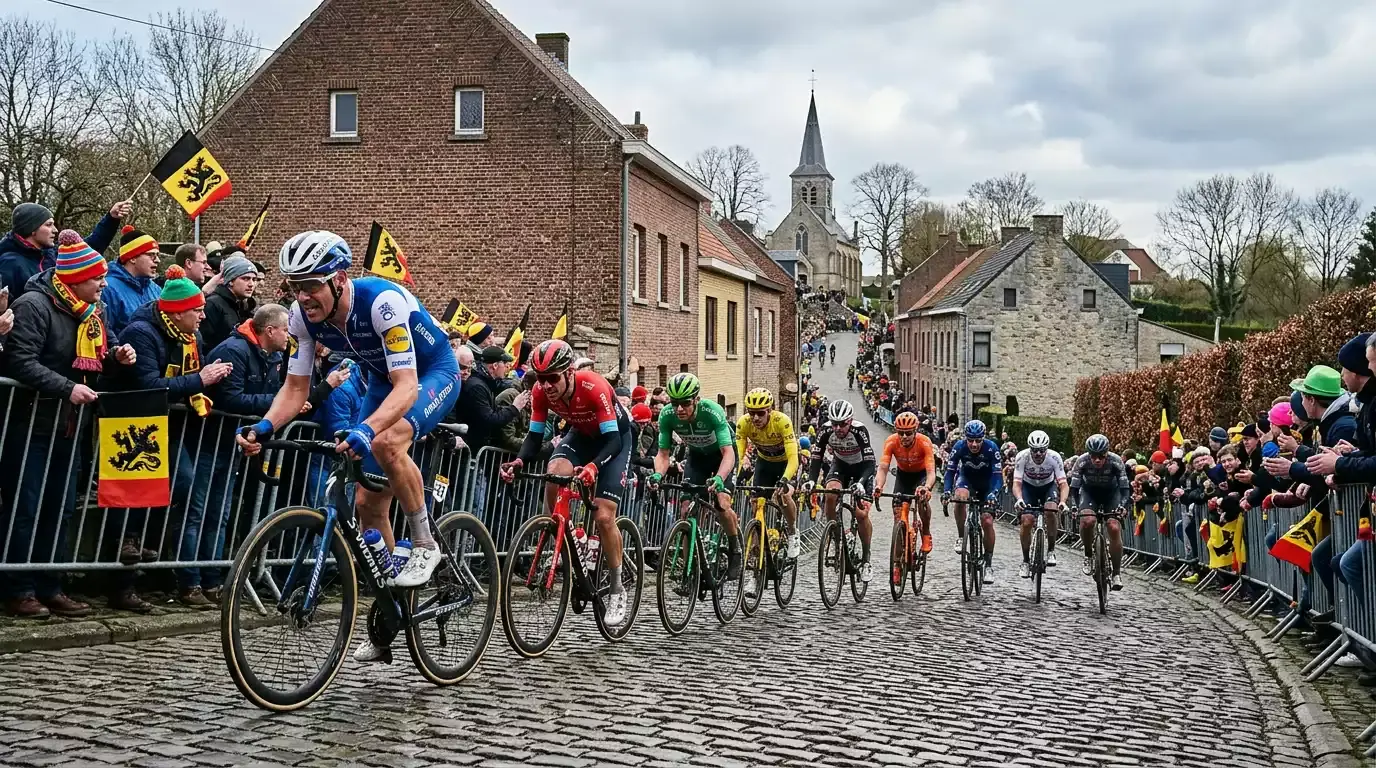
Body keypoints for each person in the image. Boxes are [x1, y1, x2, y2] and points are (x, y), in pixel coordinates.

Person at [236, 231, 460, 661]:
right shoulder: (301, 319)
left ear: (339, 279)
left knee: (388, 441)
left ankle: (424, 542)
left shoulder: (381, 303)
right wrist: (265, 426)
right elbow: (296, 388)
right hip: (381, 380)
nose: (303, 297)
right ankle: (391, 611)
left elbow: (407, 385)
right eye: (295, 286)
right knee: (366, 503)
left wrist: (366, 430)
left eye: (311, 285)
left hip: (432, 373)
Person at [1, 231, 137, 617]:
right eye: (97, 278)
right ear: (76, 278)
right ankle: (18, 588)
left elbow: (95, 362)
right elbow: (20, 361)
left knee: (60, 510)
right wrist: (67, 388)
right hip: (31, 423)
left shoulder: (93, 312)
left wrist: (115, 359)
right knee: (25, 508)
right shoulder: (34, 305)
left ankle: (51, 586)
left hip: (71, 426)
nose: (104, 284)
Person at [498, 339, 631, 626]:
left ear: (570, 372)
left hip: (614, 440)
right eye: (540, 378)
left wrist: (593, 467)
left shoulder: (593, 387)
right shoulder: (540, 392)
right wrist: (519, 462)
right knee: (554, 471)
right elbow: (534, 437)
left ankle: (617, 587)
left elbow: (613, 441)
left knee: (603, 515)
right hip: (581, 436)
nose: (546, 385)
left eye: (552, 378)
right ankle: (563, 535)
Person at [646, 372, 742, 579]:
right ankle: (690, 571)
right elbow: (663, 454)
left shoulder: (712, 412)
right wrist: (657, 476)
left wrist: (719, 478)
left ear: (696, 400)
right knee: (685, 510)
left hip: (722, 457)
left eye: (685, 403)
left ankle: (735, 549)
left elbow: (728, 453)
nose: (679, 409)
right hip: (697, 458)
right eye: (674, 403)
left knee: (721, 503)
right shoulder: (667, 415)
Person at [735, 388, 802, 588]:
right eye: (751, 412)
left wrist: (785, 479)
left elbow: (793, 458)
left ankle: (792, 531)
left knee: (783, 496)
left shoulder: (782, 421)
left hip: (786, 464)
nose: (755, 418)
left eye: (760, 413)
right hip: (764, 464)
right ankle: (756, 564)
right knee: (756, 504)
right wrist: (736, 476)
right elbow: (739, 455)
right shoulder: (743, 423)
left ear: (770, 410)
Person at [806, 399, 877, 582]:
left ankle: (866, 559)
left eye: (842, 424)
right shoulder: (825, 431)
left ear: (850, 421)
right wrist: (811, 481)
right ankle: (834, 535)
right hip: (841, 466)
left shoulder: (860, 431)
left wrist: (861, 483)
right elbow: (816, 457)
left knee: (861, 514)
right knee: (830, 493)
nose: (838, 428)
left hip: (862, 469)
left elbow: (870, 463)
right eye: (834, 423)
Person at [0, 200, 129, 299]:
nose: (55, 230)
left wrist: (111, 219)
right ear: (32, 229)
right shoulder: (9, 264)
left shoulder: (52, 254)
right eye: (49, 225)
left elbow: (90, 248)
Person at [942, 419, 1002, 584]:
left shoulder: (991, 448)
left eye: (978, 440)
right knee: (959, 497)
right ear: (965, 438)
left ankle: (988, 564)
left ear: (983, 438)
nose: (974, 444)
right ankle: (961, 536)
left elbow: (998, 476)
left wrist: (993, 494)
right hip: (967, 480)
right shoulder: (959, 447)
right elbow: (950, 472)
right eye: (970, 440)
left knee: (987, 521)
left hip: (988, 485)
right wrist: (946, 491)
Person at [1069, 433, 1130, 590]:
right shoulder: (1081, 461)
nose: (1097, 460)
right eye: (1093, 456)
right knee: (1087, 521)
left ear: (1107, 453)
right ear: (1088, 454)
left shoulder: (1116, 461)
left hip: (1112, 494)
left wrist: (1123, 506)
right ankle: (1088, 554)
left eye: (1101, 456)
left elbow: (1125, 489)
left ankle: (1116, 573)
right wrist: (1075, 506)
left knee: (1114, 527)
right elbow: (1074, 489)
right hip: (1089, 493)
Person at [874, 411, 936, 555]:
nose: (904, 437)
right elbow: (883, 468)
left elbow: (931, 471)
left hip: (921, 476)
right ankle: (897, 561)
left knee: (922, 500)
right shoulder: (891, 441)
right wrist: (879, 486)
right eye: (900, 433)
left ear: (915, 431)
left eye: (908, 433)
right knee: (898, 517)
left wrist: (927, 487)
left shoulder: (924, 442)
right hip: (903, 476)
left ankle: (926, 532)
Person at [1011, 430, 1070, 579]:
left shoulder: (1054, 457)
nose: (1038, 454)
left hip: (1048, 487)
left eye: (1042, 450)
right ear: (1030, 449)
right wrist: (1019, 498)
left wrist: (1062, 502)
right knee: (1027, 521)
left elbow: (1063, 484)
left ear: (1046, 449)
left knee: (1051, 510)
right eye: (1035, 450)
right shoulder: (1022, 456)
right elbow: (1017, 483)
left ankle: (1051, 550)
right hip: (1028, 487)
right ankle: (1025, 561)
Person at [101, 225, 163, 337]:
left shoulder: (156, 289)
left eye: (157, 255)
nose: (157, 260)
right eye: (151, 255)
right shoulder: (107, 288)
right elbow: (105, 333)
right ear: (133, 257)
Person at [201, 255, 260, 351]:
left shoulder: (242, 305)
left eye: (254, 279)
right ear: (231, 281)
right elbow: (205, 343)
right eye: (245, 278)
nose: (251, 284)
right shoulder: (213, 304)